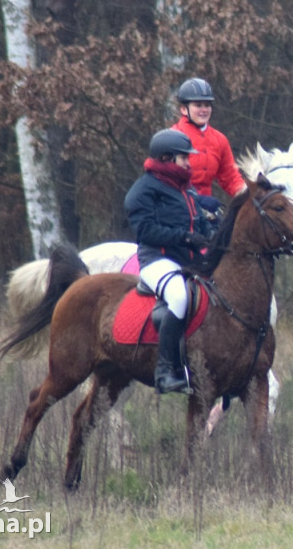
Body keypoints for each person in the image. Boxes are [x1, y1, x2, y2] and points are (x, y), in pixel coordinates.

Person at [124, 128, 216, 394]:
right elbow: (146, 232)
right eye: (183, 158)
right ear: (167, 158)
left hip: (186, 260)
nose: (189, 162)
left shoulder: (185, 189)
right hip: (157, 260)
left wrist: (210, 233)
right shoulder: (142, 191)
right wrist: (187, 238)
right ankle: (165, 371)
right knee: (178, 297)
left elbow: (198, 222)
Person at [171, 77, 246, 201]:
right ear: (184, 109)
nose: (204, 110)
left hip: (207, 206)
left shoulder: (220, 140)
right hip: (178, 204)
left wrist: (248, 195)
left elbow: (230, 177)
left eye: (207, 105)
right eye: (198, 105)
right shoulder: (172, 136)